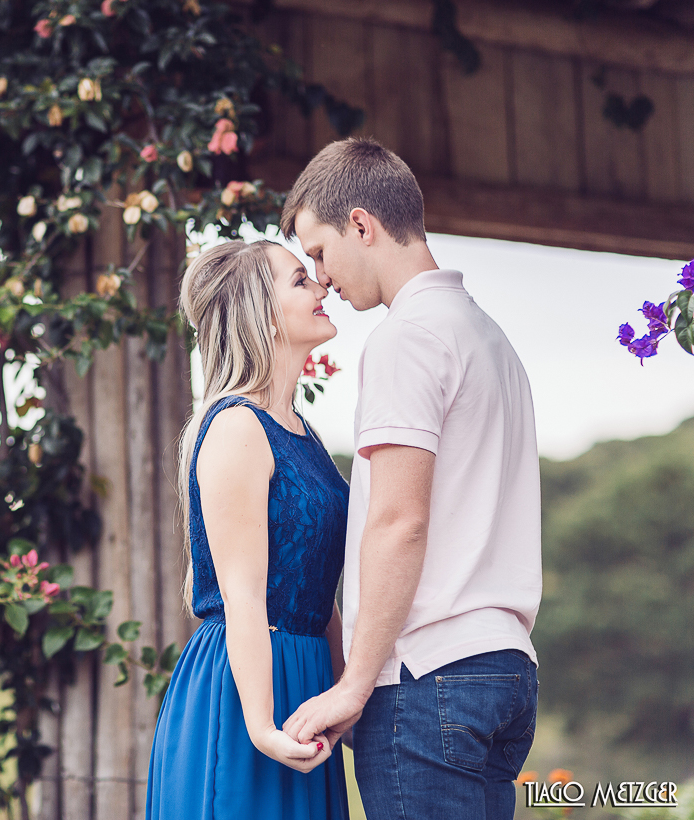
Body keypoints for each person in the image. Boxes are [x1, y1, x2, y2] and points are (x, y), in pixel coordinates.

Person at [279, 137, 541, 820]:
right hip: (504, 668)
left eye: (319, 252)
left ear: (361, 224)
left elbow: (400, 521)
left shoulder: (409, 338)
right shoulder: (490, 339)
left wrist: (353, 686)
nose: (322, 276)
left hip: (428, 679)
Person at [146, 239, 351, 820]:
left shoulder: (304, 432)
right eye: (298, 280)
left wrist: (342, 692)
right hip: (244, 691)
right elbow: (243, 595)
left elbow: (320, 588)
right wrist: (259, 725)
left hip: (304, 678)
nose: (321, 286)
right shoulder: (237, 426)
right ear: (258, 311)